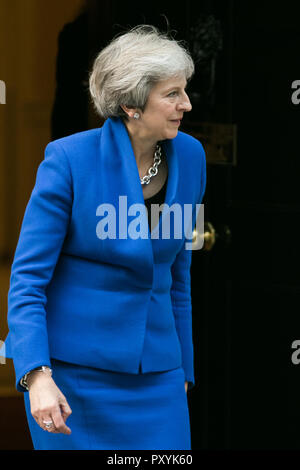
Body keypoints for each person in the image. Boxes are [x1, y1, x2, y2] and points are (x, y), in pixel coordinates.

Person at [2, 24, 206, 450]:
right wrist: (35, 375)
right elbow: (27, 283)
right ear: (132, 103)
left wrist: (183, 369)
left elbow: (178, 274)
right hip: (73, 381)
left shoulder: (191, 155)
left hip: (158, 379)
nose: (185, 104)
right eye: (171, 94)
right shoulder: (69, 160)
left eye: (184, 91)